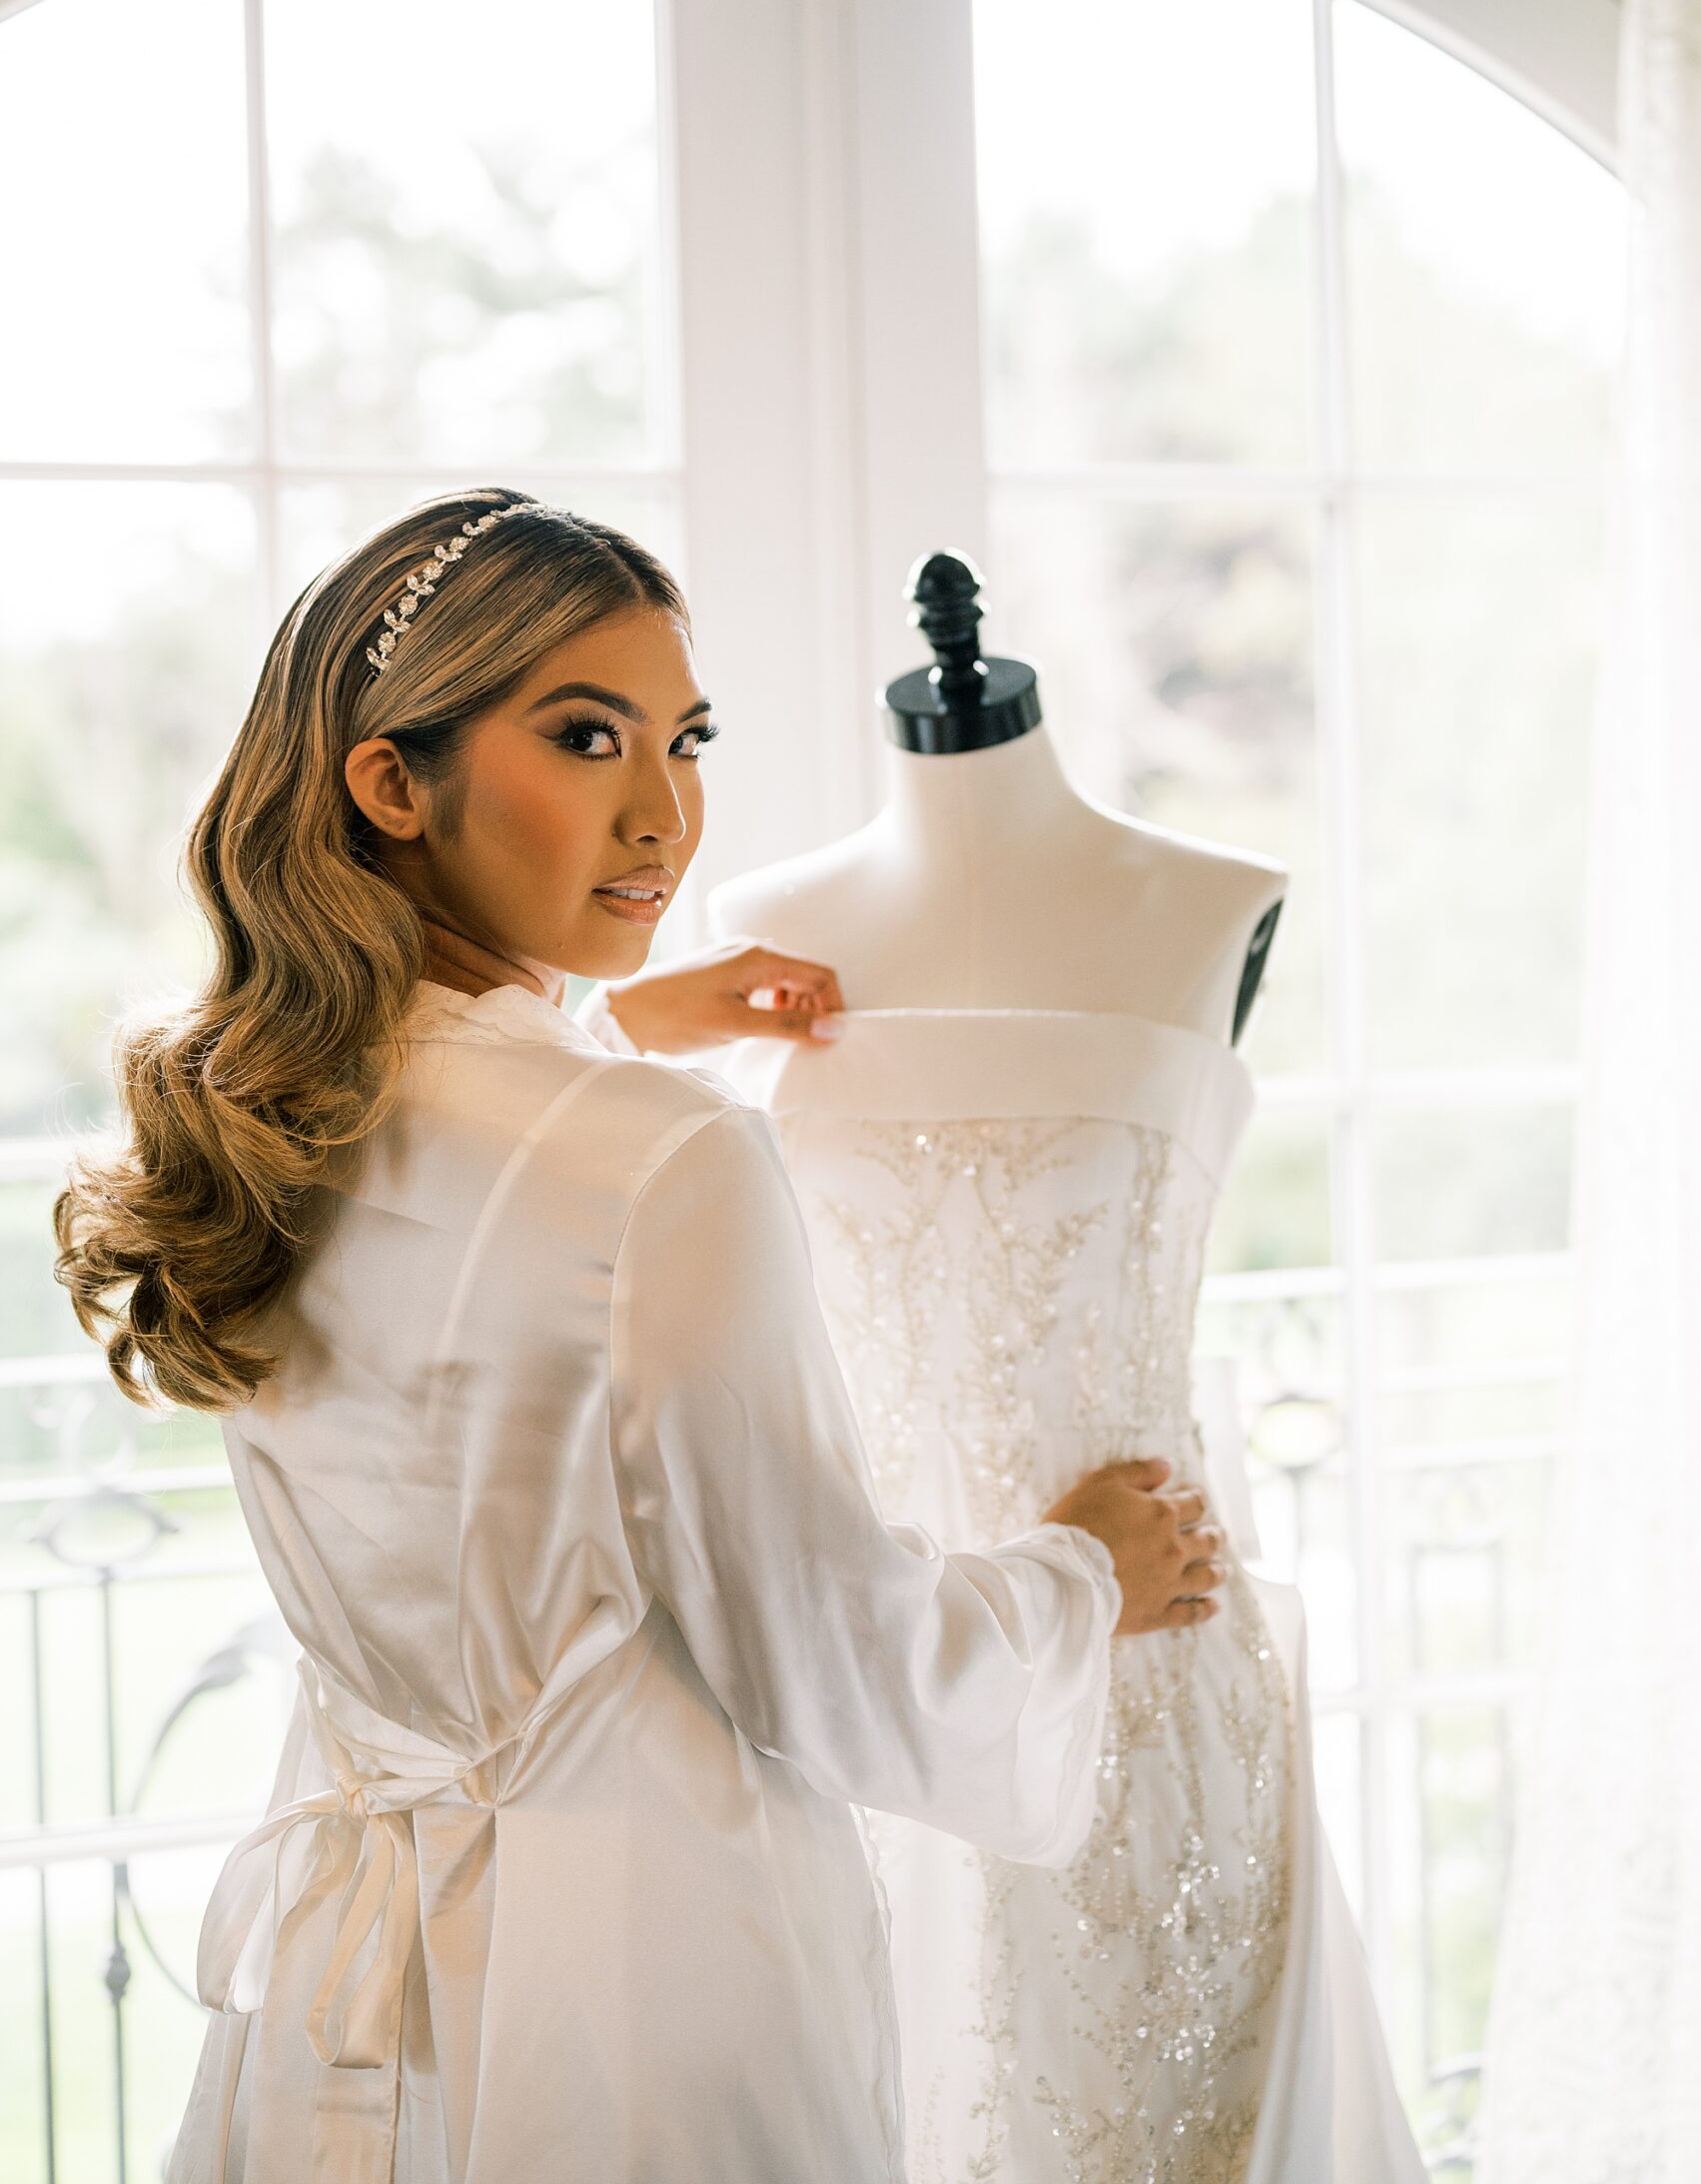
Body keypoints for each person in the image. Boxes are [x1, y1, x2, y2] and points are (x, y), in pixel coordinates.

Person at [55, 490, 1225, 2184]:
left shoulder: (280, 1108)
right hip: (650, 1984)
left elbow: (480, 1206)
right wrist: (1082, 1577)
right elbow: (841, 1659)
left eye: (688, 739)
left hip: (337, 1993)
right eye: (588, 738)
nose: (664, 812)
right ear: (393, 781)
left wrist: (605, 1014)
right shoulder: (669, 1158)